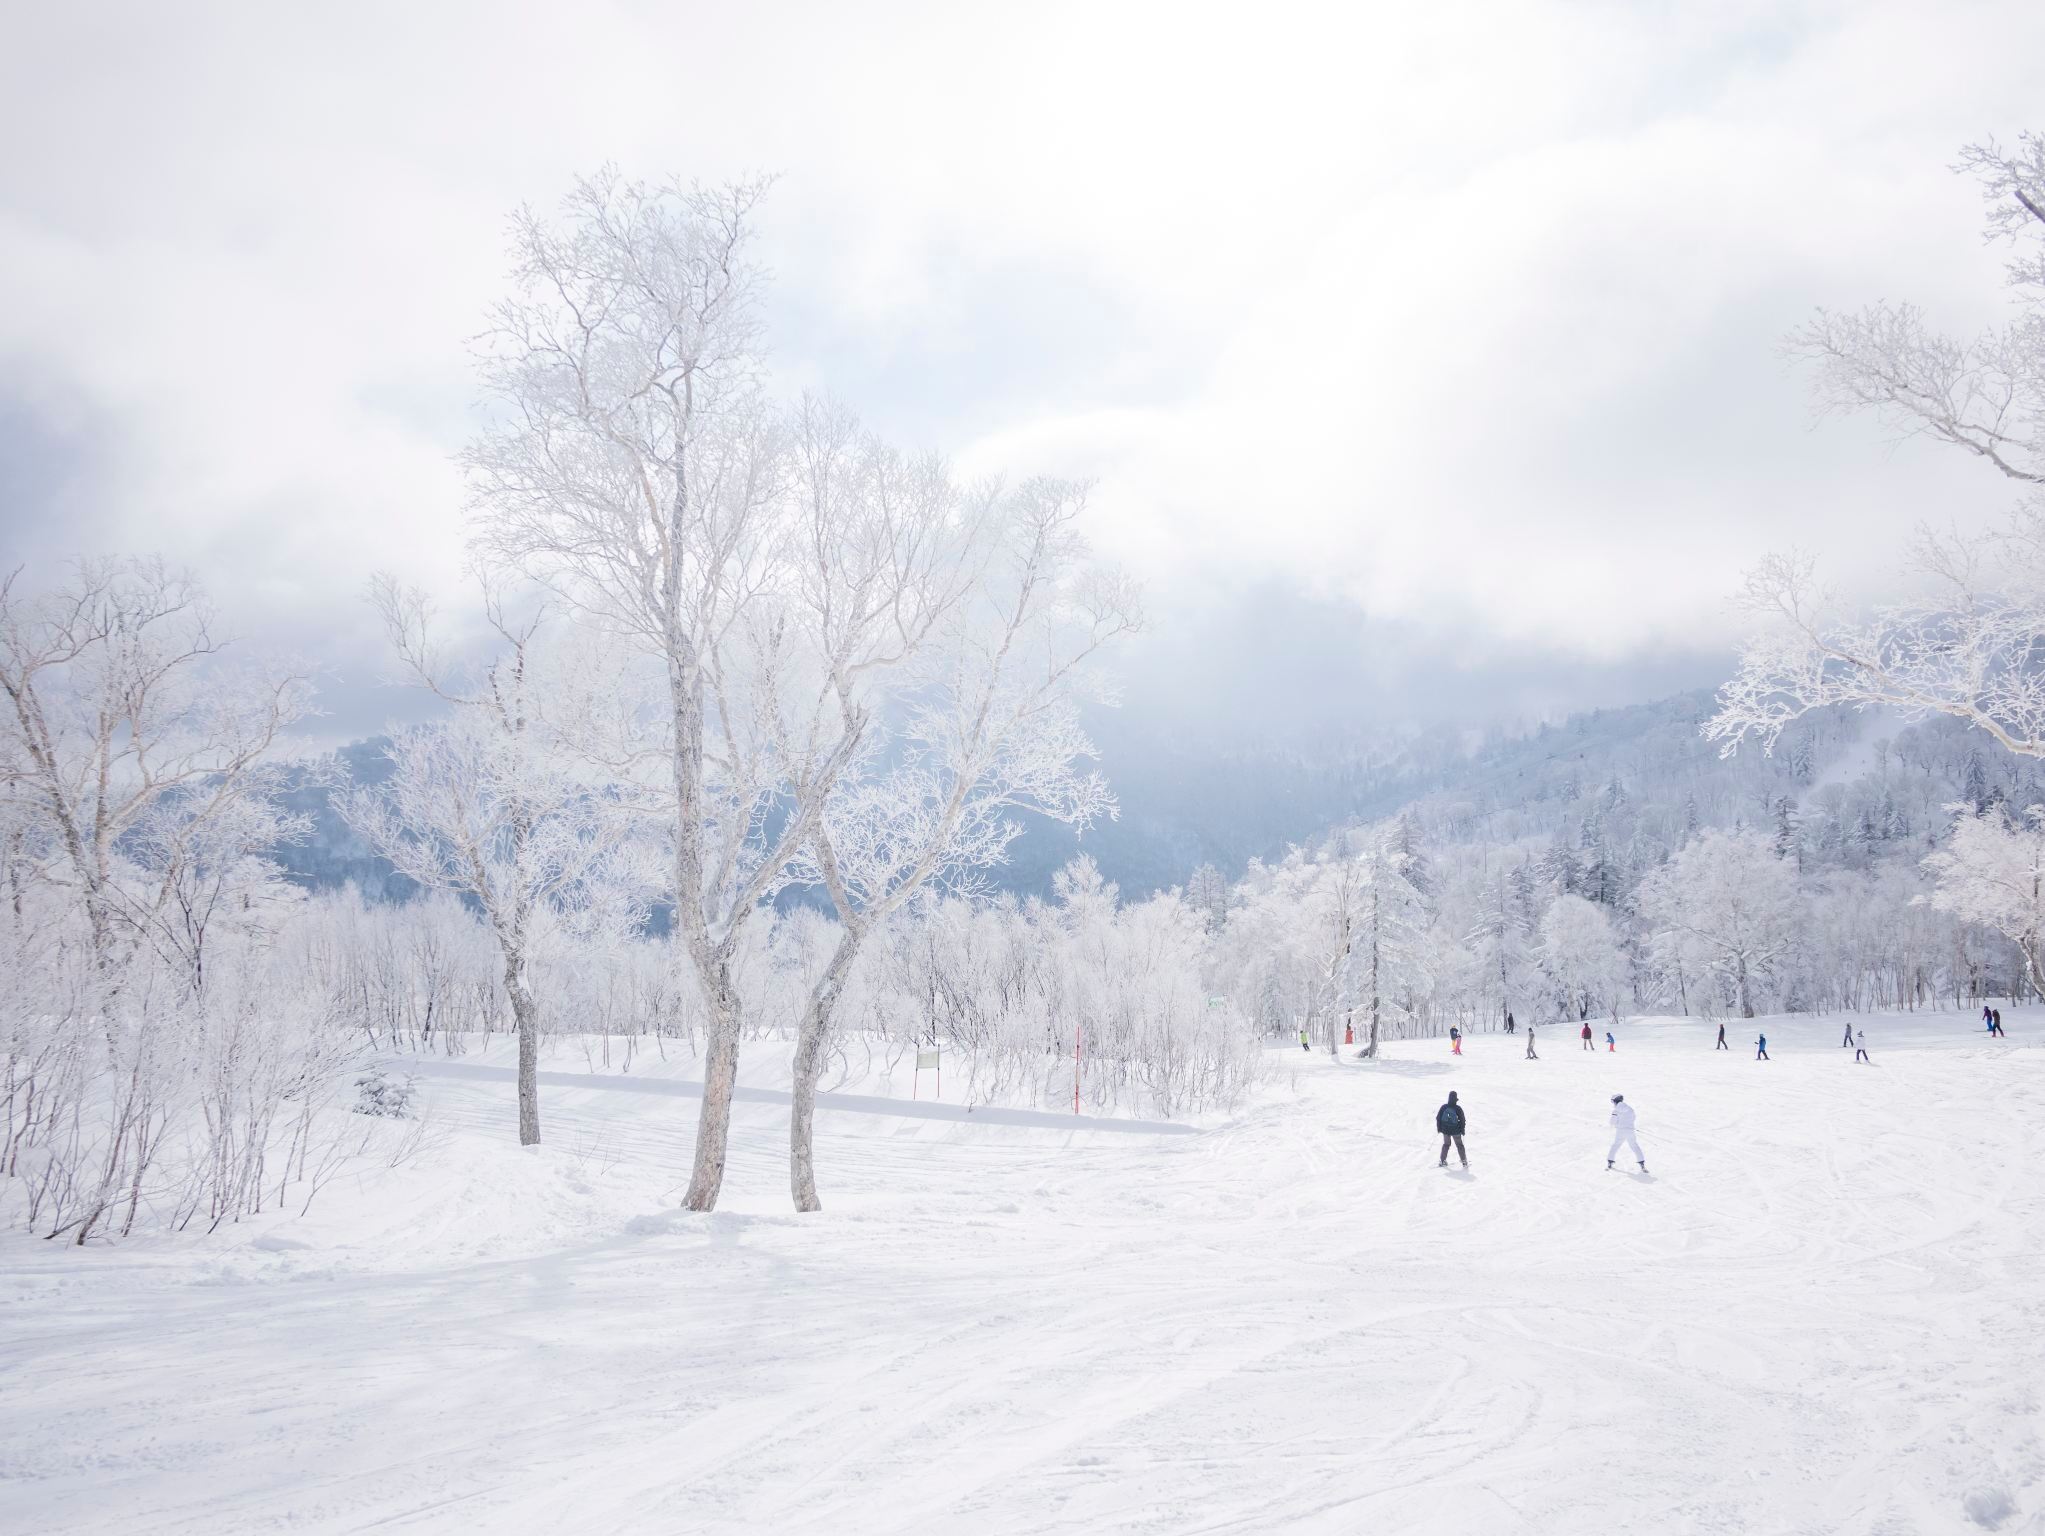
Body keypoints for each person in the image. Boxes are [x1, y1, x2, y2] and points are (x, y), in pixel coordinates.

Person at [1607, 1093, 1645, 1172]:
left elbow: (1612, 1122)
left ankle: (1610, 1162)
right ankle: (1642, 1164)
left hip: (1620, 1130)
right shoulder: (1630, 1109)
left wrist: (1617, 1123)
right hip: (1630, 1130)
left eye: (1613, 1101)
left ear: (1616, 1101)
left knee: (1616, 1145)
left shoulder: (1616, 1110)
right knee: (1634, 1146)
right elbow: (1633, 1118)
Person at [1436, 1091, 1468, 1168]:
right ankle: (1464, 1162)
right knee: (1459, 1145)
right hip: (1455, 1131)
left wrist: (1439, 1128)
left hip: (1445, 1130)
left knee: (1446, 1144)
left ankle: (1442, 1161)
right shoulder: (1458, 1108)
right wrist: (1462, 1130)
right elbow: (1462, 1120)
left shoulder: (1444, 1107)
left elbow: (1438, 1118)